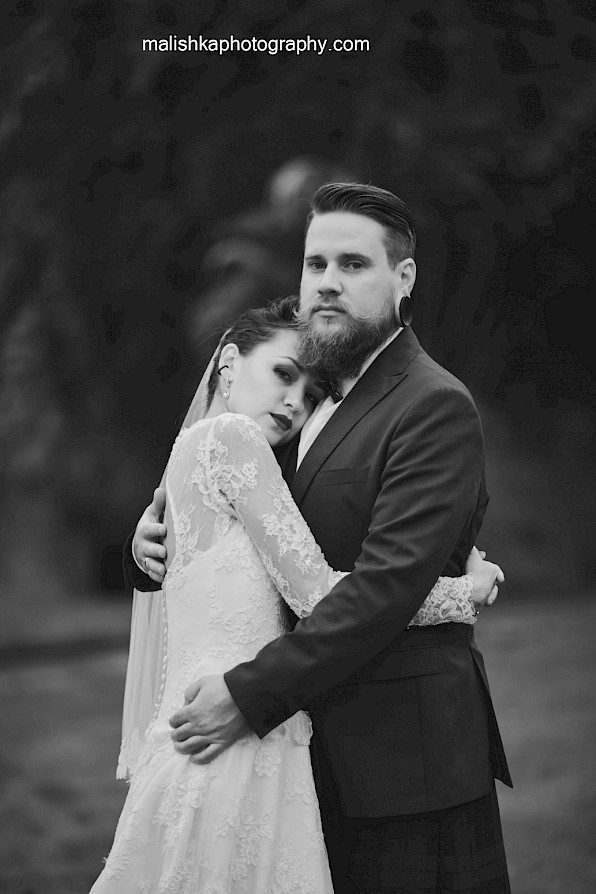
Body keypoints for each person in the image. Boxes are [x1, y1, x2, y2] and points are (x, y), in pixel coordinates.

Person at [125, 183, 512, 893]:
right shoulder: (287, 417)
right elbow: (246, 542)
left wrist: (249, 695)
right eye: (315, 263)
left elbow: (382, 590)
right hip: (304, 758)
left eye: (353, 264)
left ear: (403, 278)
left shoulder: (432, 404)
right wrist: (150, 548)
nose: (328, 281)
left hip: (407, 768)